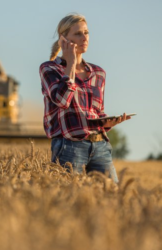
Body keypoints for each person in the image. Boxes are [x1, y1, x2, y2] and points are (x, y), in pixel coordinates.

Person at [39, 14, 131, 183]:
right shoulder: (49, 68)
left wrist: (108, 122)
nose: (84, 38)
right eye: (78, 34)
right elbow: (62, 100)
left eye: (86, 32)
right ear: (63, 39)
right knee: (68, 200)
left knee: (112, 198)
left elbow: (97, 112)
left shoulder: (99, 73)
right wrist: (71, 64)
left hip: (100, 146)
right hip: (69, 147)